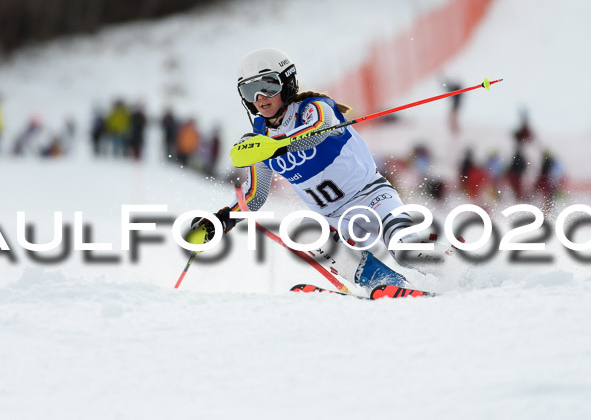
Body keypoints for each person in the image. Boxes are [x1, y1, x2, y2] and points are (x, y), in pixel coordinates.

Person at [191, 48, 449, 294]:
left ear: (288, 83)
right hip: (333, 218)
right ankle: (385, 283)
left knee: (406, 251)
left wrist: (276, 147)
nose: (259, 97)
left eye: (268, 86)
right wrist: (220, 221)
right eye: (249, 90)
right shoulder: (261, 141)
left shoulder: (314, 107)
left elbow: (316, 131)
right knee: (304, 232)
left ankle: (457, 272)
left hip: (371, 197)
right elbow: (254, 197)